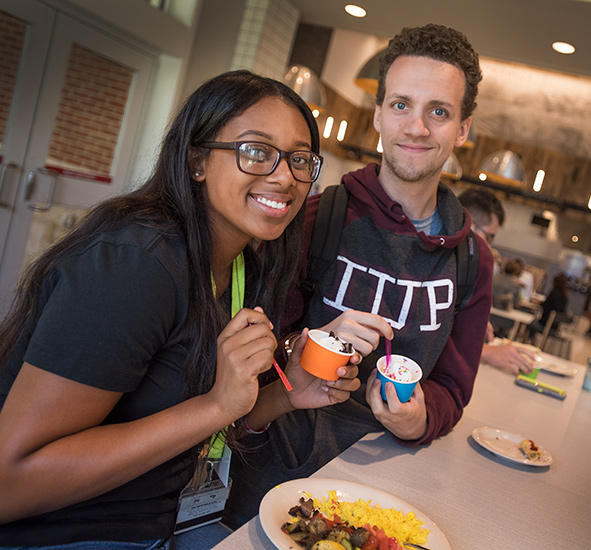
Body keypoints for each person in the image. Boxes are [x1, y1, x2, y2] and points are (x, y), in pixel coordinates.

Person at [0, 71, 362, 548]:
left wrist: (286, 395)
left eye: (299, 159)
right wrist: (216, 404)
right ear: (197, 161)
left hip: (163, 524)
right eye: (256, 151)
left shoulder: (242, 269)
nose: (284, 176)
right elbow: (12, 482)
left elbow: (197, 420)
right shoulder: (136, 265)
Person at [223, 24, 492, 526]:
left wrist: (418, 419)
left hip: (389, 490)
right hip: (280, 479)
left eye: (438, 111)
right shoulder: (315, 219)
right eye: (400, 105)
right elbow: (248, 353)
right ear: (378, 114)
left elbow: (453, 389)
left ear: (462, 130)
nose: (416, 127)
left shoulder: (473, 260)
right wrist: (314, 343)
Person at [459, 188, 535, 375]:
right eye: (490, 237)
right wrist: (485, 353)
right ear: (470, 224)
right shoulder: (434, 262)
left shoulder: (464, 267)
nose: (489, 246)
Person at [528, 273, 569, 346]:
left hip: (545, 324)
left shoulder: (554, 293)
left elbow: (545, 305)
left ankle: (531, 342)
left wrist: (538, 302)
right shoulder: (565, 296)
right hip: (555, 327)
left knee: (530, 323)